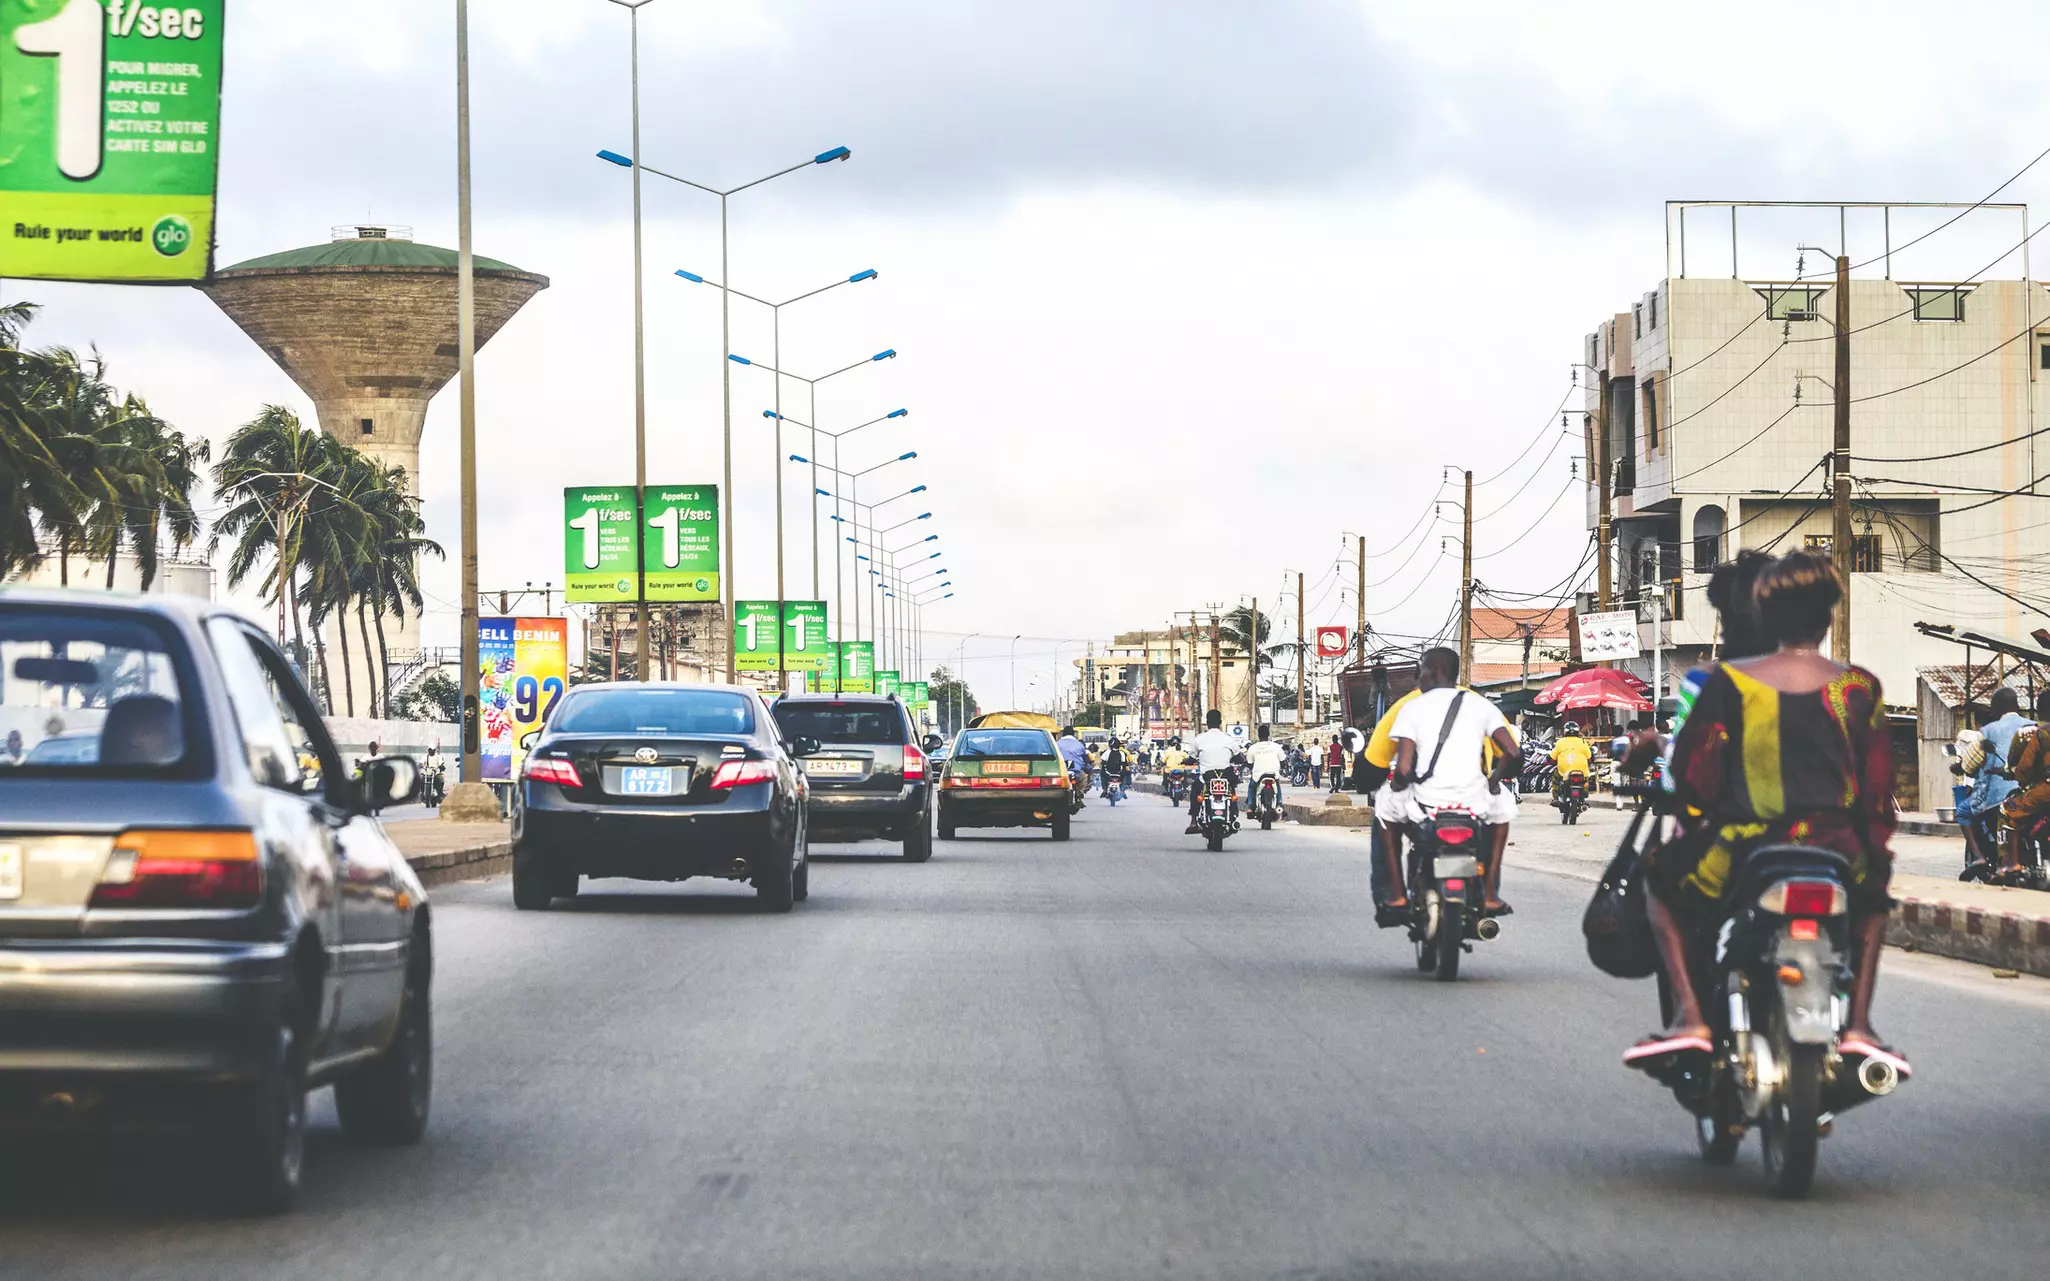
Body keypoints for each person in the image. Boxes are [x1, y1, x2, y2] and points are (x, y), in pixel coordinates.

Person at [1628, 550, 1904, 1077]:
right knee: (1874, 905)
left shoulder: (1729, 683)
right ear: (1829, 615)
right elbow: (1878, 793)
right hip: (1838, 851)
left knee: (1660, 884)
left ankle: (1690, 1016)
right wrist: (1871, 854)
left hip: (1743, 851)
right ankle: (1861, 1027)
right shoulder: (1859, 686)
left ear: (1766, 615)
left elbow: (1693, 783)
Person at [1380, 648, 1522, 914]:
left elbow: (1404, 767)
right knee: (1504, 809)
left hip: (1427, 805)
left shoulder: (1412, 707)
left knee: (1384, 807)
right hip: (1474, 803)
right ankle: (1490, 894)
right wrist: (1493, 781)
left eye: (1420, 672)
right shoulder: (1481, 704)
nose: (1417, 679)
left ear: (1433, 672)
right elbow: (1513, 752)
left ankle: (1398, 894)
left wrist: (1398, 785)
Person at [1996, 689, 2050, 878]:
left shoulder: (2035, 734)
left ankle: (2013, 864)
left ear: (2038, 710)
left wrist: (2018, 776)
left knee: (2007, 810)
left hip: (2044, 791)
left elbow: (2023, 769)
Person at [1185, 709, 1239, 833]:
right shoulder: (1228, 739)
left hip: (1206, 777)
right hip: (1225, 776)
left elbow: (1191, 758)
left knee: (1195, 791)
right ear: (1220, 722)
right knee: (1232, 791)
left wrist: (1186, 761)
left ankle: (1193, 822)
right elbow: (1239, 756)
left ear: (1207, 722)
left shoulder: (1200, 739)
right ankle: (1234, 816)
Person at [1550, 721, 1594, 805]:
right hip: (1581, 772)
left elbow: (1552, 758)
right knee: (1585, 780)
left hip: (1564, 772)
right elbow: (1589, 758)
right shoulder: (1583, 742)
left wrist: (1549, 760)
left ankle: (1555, 798)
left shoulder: (1560, 742)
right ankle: (1584, 798)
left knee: (1555, 776)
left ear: (1565, 731)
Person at [1245, 724, 1286, 813]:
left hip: (1258, 775)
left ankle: (1251, 806)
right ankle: (1279, 803)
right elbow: (1283, 761)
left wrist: (1253, 769)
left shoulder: (1253, 748)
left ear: (1258, 735)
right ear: (1268, 735)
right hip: (1273, 774)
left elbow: (1249, 763)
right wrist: (1282, 768)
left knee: (1252, 787)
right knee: (1277, 786)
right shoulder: (1276, 747)